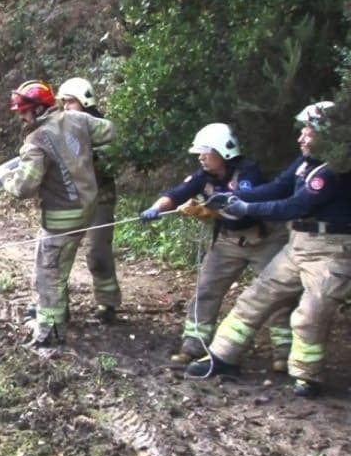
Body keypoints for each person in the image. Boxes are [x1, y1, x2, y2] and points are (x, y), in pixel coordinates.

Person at [187, 102, 351, 397]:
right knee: (255, 298)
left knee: (311, 313)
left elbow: (294, 206)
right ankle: (223, 357)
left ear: (327, 133)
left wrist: (245, 207)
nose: (301, 137)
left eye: (308, 131)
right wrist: (232, 197)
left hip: (331, 252)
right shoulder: (305, 163)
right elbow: (277, 188)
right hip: (297, 244)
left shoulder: (332, 171)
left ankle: (307, 375)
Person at [139, 123, 293, 372]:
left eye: (206, 152)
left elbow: (244, 205)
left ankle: (284, 353)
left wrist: (208, 209)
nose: (200, 157)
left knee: (278, 295)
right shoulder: (203, 176)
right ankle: (193, 344)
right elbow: (177, 193)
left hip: (263, 240)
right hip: (228, 242)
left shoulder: (248, 173)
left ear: (224, 151)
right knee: (206, 288)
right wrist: (156, 209)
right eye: (199, 152)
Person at [2, 79, 114, 345]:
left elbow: (23, 187)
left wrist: (6, 179)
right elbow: (109, 131)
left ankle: (50, 333)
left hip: (62, 217)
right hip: (88, 208)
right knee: (58, 266)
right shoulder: (77, 119)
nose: (21, 116)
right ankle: (58, 315)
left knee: (48, 273)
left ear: (39, 108)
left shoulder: (36, 141)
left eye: (24, 110)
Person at [57, 78, 122, 323]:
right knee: (58, 253)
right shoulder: (60, 128)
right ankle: (56, 305)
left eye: (71, 102)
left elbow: (110, 162)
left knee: (98, 252)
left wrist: (86, 156)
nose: (66, 107)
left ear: (85, 102)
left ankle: (107, 303)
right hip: (69, 201)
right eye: (64, 103)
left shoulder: (102, 129)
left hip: (99, 199)